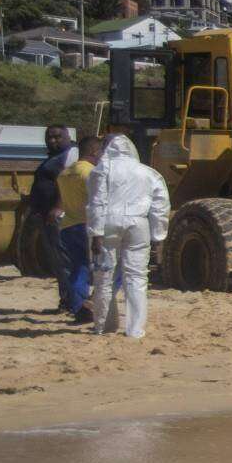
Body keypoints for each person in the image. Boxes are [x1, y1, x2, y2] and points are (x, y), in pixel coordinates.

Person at [86, 134, 170, 338]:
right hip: (138, 224)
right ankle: (135, 329)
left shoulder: (102, 170)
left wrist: (96, 233)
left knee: (104, 276)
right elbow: (161, 206)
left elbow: (97, 202)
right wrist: (158, 236)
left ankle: (104, 325)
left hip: (107, 224)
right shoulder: (149, 173)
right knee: (137, 277)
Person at [52, 132, 104, 324]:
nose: (102, 156)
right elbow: (97, 201)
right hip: (86, 226)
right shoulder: (90, 173)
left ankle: (77, 306)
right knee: (94, 269)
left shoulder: (65, 172)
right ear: (93, 151)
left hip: (67, 225)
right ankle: (85, 305)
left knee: (77, 267)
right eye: (100, 152)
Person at [28, 125, 77, 312]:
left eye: (57, 137)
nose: (52, 140)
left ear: (68, 136)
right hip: (46, 215)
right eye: (49, 137)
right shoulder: (53, 157)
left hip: (59, 216)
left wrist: (58, 206)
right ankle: (66, 300)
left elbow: (68, 183)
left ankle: (73, 302)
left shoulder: (71, 155)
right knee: (57, 261)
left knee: (64, 260)